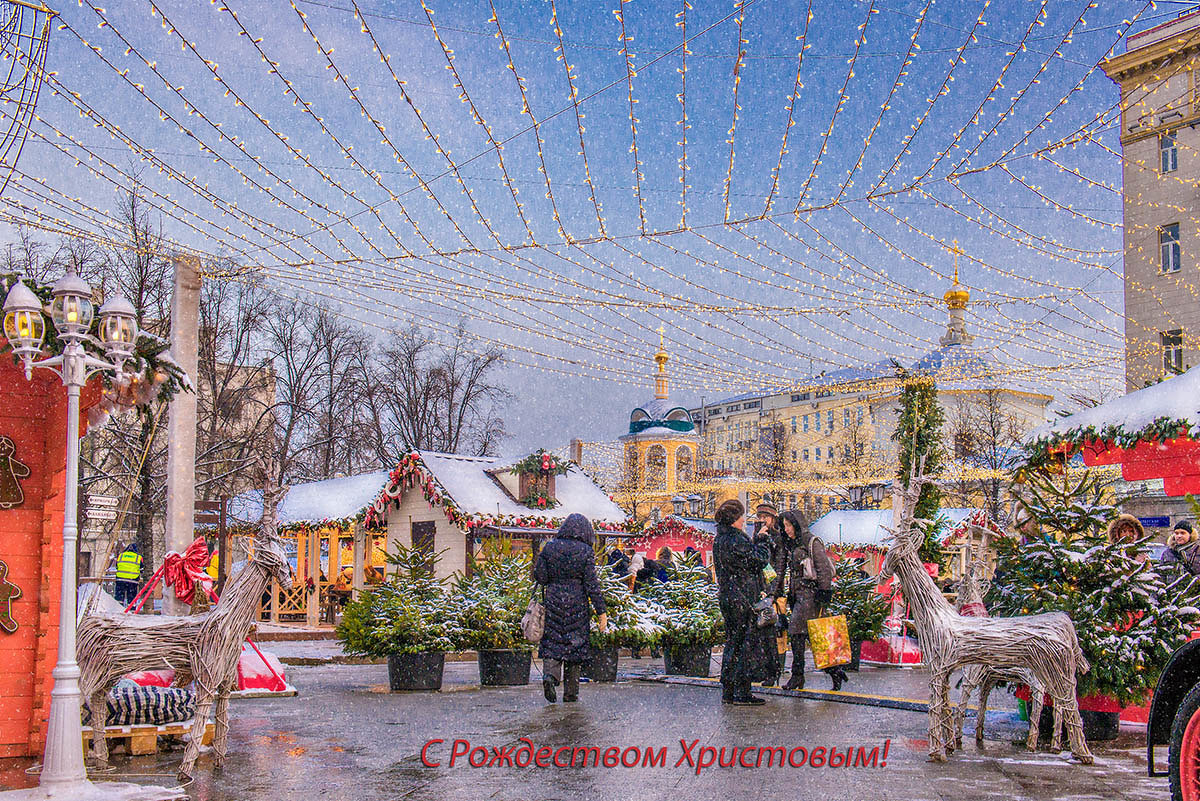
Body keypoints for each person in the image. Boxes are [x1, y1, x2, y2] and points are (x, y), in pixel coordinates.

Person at [533, 513, 608, 703]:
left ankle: (550, 676)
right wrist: (601, 612)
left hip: (554, 599)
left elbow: (540, 576)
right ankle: (571, 693)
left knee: (553, 643)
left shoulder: (550, 547)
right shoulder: (585, 551)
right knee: (575, 648)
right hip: (577, 603)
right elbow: (592, 583)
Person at [773, 510, 847, 691]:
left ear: (797, 525)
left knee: (797, 632)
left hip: (810, 595)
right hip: (797, 595)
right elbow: (780, 569)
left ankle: (798, 675)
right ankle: (834, 670)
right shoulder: (788, 544)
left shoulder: (811, 541)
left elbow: (823, 568)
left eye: (789, 525)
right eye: (784, 526)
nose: (787, 529)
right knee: (816, 636)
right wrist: (775, 590)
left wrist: (824, 592)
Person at [712, 498, 772, 705]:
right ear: (735, 519)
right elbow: (758, 561)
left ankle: (729, 689)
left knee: (733, 643)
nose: (744, 520)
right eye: (742, 516)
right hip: (742, 598)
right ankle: (742, 690)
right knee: (744, 644)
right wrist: (762, 540)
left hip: (729, 596)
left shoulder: (721, 539)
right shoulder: (735, 539)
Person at [113, 541, 143, 608]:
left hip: (120, 580)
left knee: (119, 598)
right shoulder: (138, 557)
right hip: (132, 581)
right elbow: (141, 569)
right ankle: (131, 611)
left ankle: (118, 610)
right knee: (131, 599)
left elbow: (117, 566)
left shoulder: (121, 556)